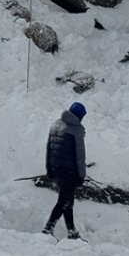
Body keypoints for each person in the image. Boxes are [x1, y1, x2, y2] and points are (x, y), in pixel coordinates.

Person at [42, 102, 87, 241]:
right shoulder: (76, 129)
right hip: (69, 171)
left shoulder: (56, 124)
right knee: (64, 201)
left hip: (56, 168)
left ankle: (71, 232)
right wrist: (81, 175)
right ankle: (48, 228)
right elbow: (80, 155)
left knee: (68, 199)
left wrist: (49, 168)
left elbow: (49, 148)